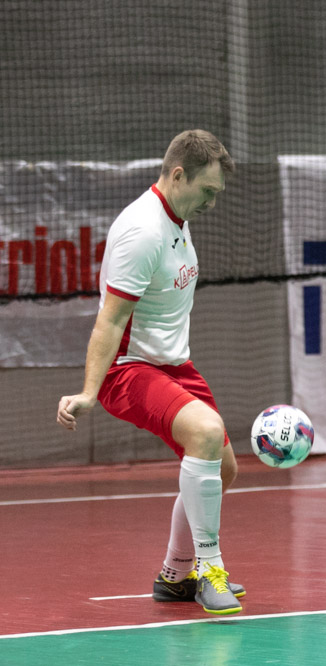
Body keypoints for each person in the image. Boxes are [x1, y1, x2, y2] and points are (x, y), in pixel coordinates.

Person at [56, 130, 246, 615]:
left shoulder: (177, 215)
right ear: (178, 175)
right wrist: (89, 392)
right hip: (129, 367)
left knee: (223, 468)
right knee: (205, 432)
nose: (212, 203)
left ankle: (175, 575)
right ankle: (209, 569)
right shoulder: (143, 231)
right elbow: (110, 319)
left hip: (173, 364)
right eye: (208, 191)